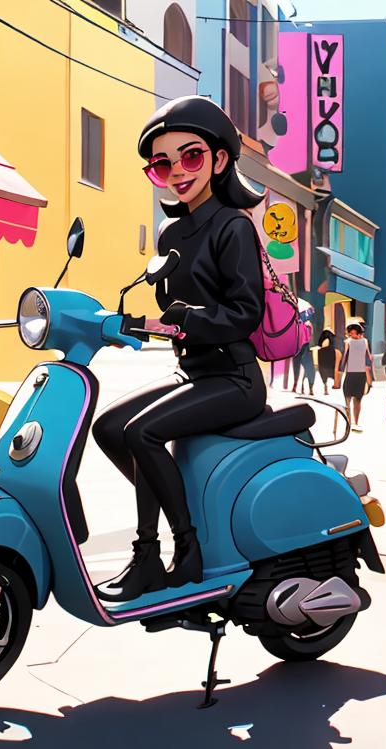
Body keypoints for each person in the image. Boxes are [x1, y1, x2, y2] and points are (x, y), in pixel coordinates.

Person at [92, 96, 267, 601]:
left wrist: (188, 319)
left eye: (190, 157)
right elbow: (172, 312)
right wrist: (130, 322)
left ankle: (181, 549)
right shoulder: (172, 231)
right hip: (191, 372)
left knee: (142, 434)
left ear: (218, 160)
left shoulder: (232, 226)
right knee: (109, 429)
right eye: (162, 164)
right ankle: (162, 537)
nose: (176, 172)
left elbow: (244, 314)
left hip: (233, 377)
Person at [339, 322, 373, 431]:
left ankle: (356, 422)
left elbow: (369, 357)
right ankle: (349, 422)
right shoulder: (348, 342)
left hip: (360, 374)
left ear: (358, 332)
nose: (352, 334)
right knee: (347, 399)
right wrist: (340, 371)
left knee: (358, 400)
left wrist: (369, 376)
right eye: (351, 333)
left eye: (354, 332)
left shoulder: (365, 342)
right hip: (350, 374)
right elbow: (344, 358)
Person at [292, 319, 316, 396]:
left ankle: (310, 388)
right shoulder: (299, 324)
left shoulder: (307, 324)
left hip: (304, 347)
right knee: (299, 367)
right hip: (299, 347)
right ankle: (295, 385)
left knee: (309, 369)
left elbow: (310, 336)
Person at [316, 328, 340, 395]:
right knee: (331, 367)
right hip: (330, 352)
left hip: (322, 352)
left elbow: (319, 344)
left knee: (323, 369)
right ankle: (334, 383)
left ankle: (325, 384)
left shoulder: (322, 337)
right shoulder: (332, 337)